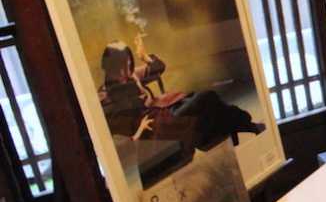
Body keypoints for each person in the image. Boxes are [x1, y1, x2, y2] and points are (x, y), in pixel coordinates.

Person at [99, 33, 264, 153]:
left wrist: (144, 56)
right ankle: (244, 125)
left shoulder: (130, 75)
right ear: (111, 67)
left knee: (204, 103)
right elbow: (119, 131)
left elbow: (158, 67)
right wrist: (139, 130)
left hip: (164, 112)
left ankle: (241, 126)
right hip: (158, 127)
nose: (127, 71)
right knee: (206, 98)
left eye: (129, 64)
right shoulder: (107, 95)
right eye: (123, 67)